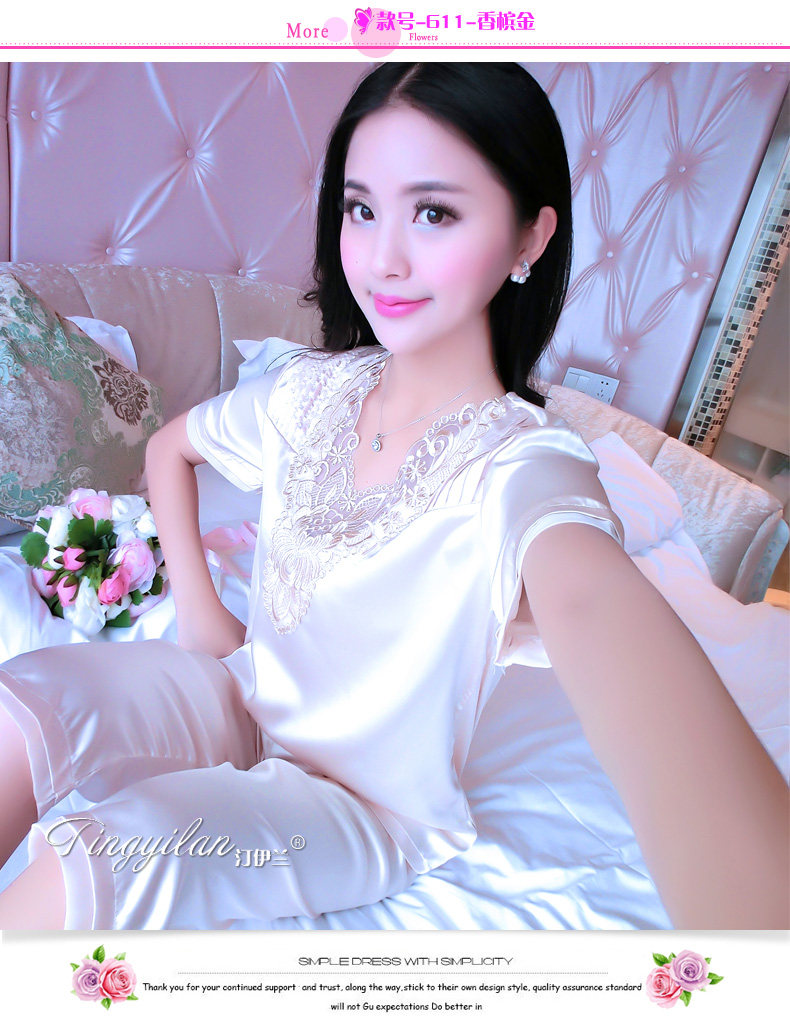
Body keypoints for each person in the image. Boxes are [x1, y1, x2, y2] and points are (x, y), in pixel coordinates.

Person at [0, 62, 787, 931]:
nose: (382, 259)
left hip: (361, 807)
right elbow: (168, 450)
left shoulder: (523, 467)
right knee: (26, 704)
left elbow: (592, 595)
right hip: (245, 694)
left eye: (434, 213)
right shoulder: (312, 391)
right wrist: (200, 611)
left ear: (529, 239)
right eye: (361, 209)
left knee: (107, 854)